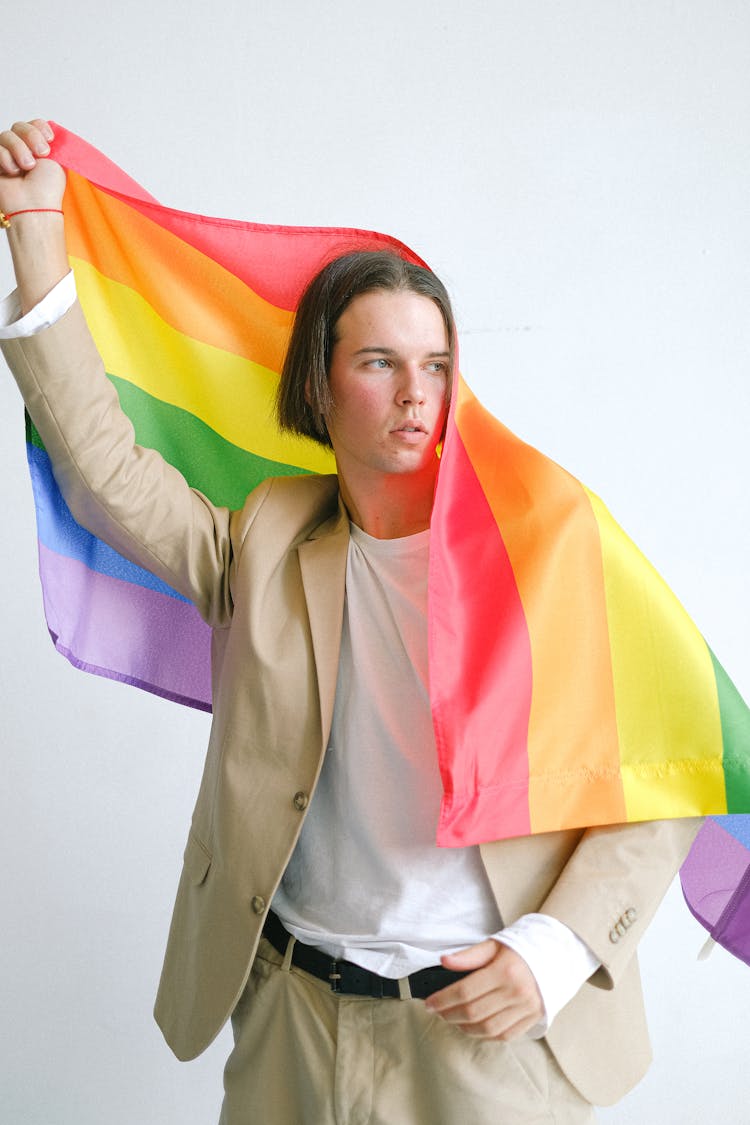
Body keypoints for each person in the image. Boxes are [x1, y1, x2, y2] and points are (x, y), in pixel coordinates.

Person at [0, 119, 701, 1124]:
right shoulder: (271, 539)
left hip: (485, 1041)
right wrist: (33, 244)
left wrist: (556, 949)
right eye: (379, 362)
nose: (417, 395)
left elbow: (671, 760)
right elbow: (107, 473)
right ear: (320, 389)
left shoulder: (547, 547)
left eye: (438, 365)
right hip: (295, 1014)